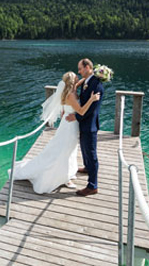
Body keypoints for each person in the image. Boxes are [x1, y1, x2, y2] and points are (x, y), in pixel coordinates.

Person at [10, 71, 101, 194]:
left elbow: (81, 82)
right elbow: (81, 111)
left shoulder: (70, 90)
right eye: (76, 77)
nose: (78, 78)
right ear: (72, 82)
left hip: (68, 124)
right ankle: (64, 177)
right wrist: (92, 99)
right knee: (65, 151)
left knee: (69, 150)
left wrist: (95, 74)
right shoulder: (70, 95)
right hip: (69, 127)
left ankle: (67, 173)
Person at [66, 58, 104, 196]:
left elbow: (90, 110)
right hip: (85, 125)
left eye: (80, 68)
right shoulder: (88, 81)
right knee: (85, 149)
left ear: (88, 67)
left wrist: (76, 117)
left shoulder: (96, 85)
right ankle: (87, 167)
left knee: (91, 154)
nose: (79, 71)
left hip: (90, 126)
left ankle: (92, 186)